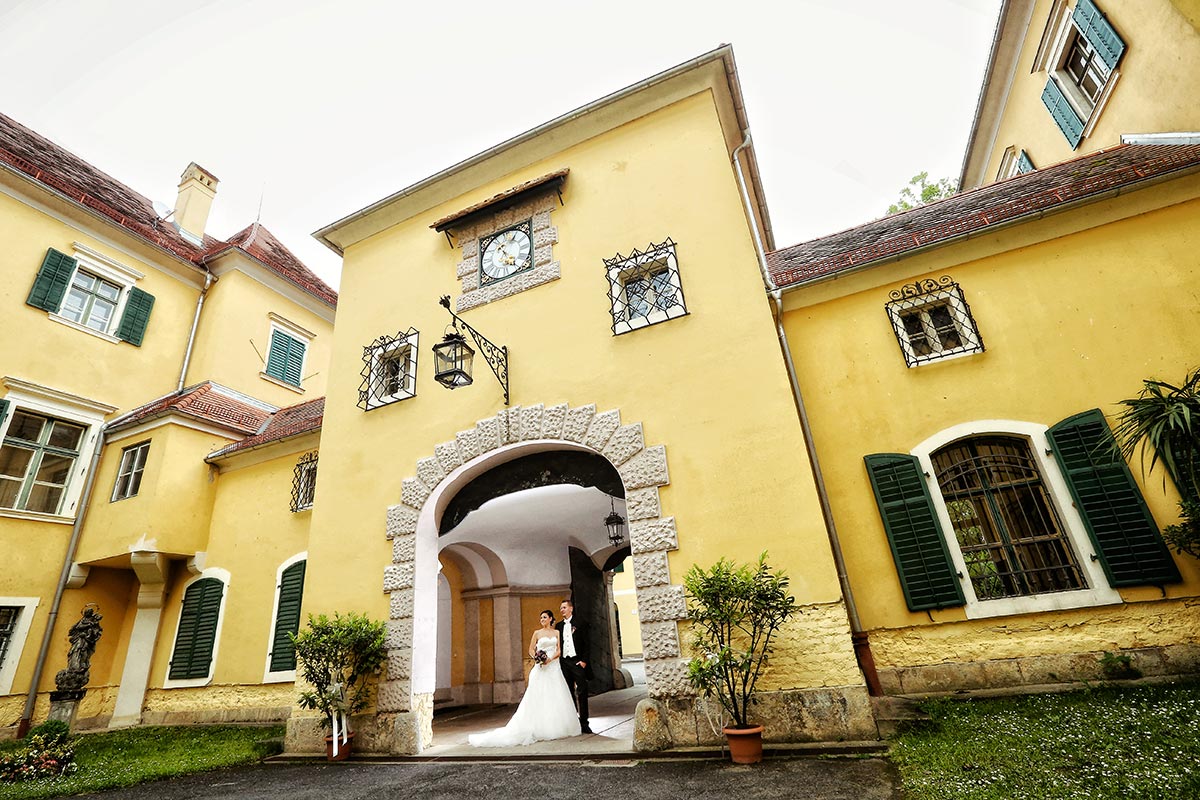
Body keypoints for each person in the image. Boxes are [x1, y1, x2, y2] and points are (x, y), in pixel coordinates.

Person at [468, 610, 582, 747]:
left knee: (556, 695)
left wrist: (550, 659)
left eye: (545, 617)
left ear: (551, 619)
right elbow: (531, 649)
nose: (542, 619)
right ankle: (538, 726)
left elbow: (559, 650)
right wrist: (538, 658)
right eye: (541, 618)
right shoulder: (537, 633)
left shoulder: (556, 633)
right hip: (541, 669)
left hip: (553, 667)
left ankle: (558, 725)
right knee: (538, 696)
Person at [557, 598, 592, 734]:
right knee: (568, 692)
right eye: (561, 608)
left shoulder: (580, 623)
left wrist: (583, 661)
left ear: (571, 609)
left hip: (577, 661)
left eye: (564, 607)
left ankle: (584, 722)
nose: (562, 610)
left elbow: (587, 643)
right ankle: (573, 721)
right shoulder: (559, 626)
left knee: (582, 691)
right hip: (565, 662)